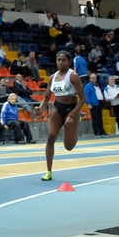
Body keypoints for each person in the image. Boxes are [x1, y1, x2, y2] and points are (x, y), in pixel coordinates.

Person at [37, 50, 85, 182]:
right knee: (51, 137)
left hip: (72, 109)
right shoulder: (52, 77)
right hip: (57, 107)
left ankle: (75, 125)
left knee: (68, 147)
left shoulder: (73, 76)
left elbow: (82, 99)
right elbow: (47, 97)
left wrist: (73, 115)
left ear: (68, 62)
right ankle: (48, 171)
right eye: (58, 60)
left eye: (63, 60)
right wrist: (41, 107)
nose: (60, 62)